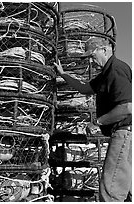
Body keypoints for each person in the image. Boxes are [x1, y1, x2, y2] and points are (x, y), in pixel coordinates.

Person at [54, 37, 132, 202]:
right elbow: (84, 88)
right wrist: (64, 74)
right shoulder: (105, 74)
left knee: (110, 190)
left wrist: (98, 122)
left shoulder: (116, 70)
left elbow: (126, 108)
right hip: (122, 135)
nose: (90, 61)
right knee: (125, 187)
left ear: (104, 50)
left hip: (123, 134)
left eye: (92, 55)